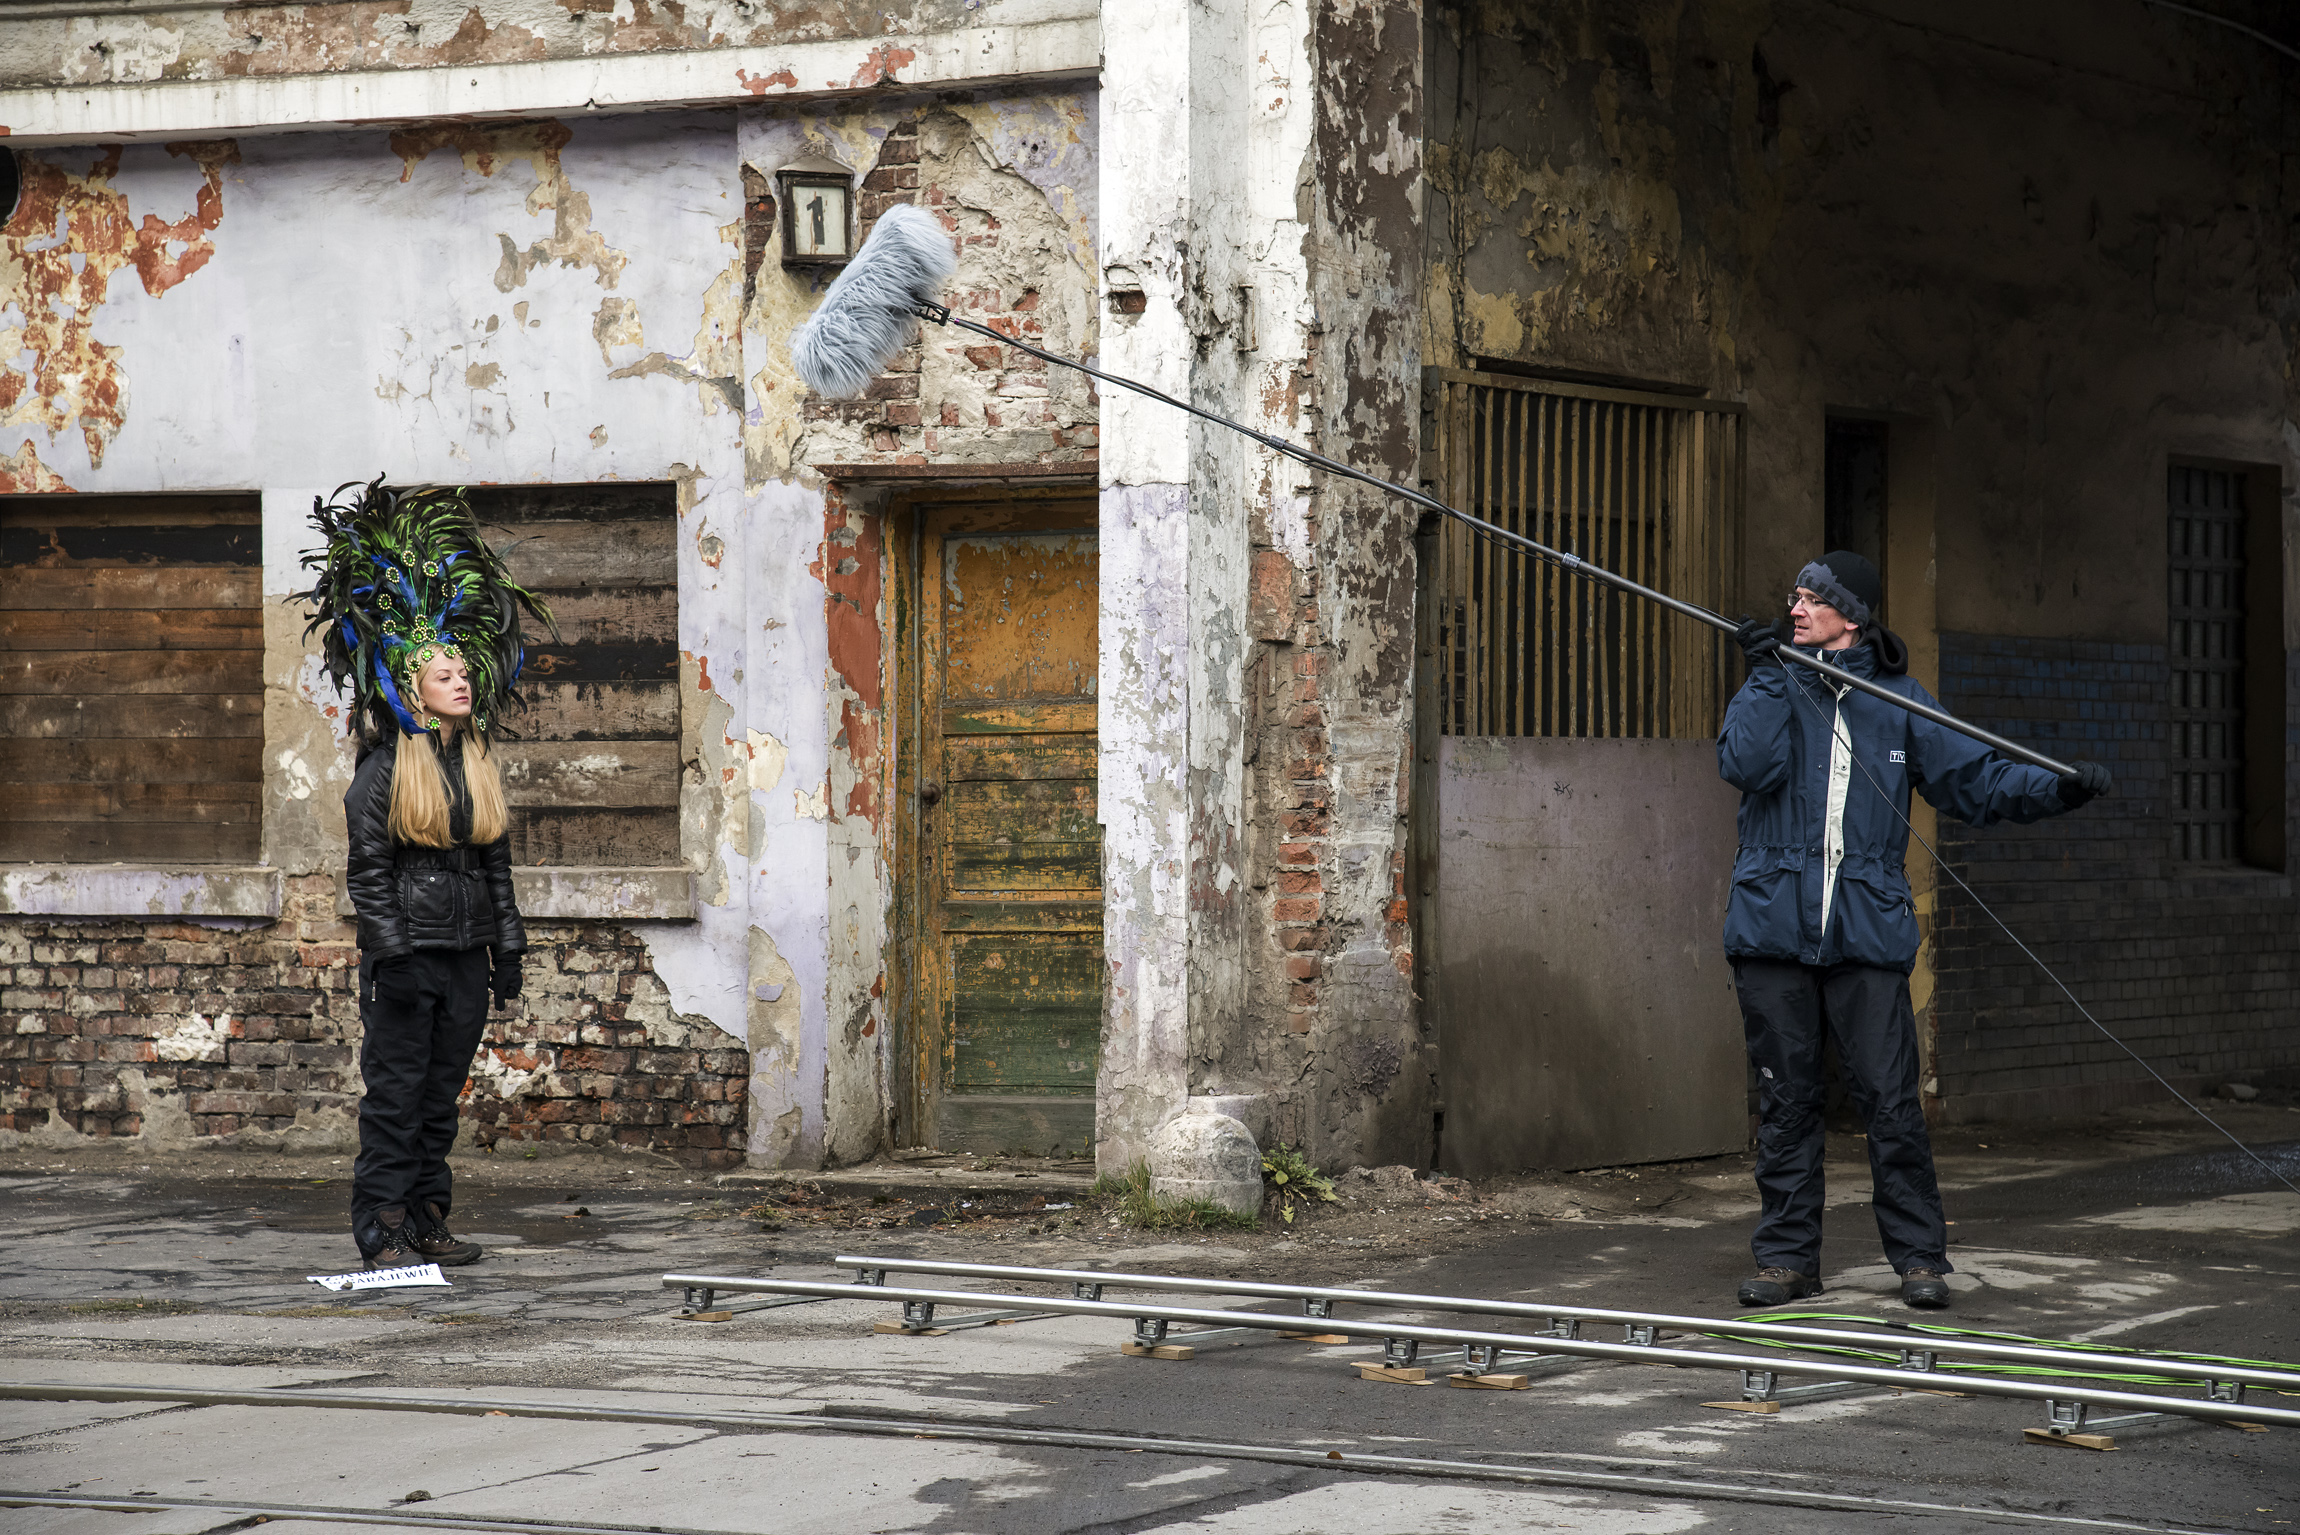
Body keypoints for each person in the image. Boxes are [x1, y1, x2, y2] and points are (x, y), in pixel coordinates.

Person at [1718, 551, 2110, 1311]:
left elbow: (1980, 781)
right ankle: (1787, 1260)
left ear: (1851, 615)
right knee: (1786, 1104)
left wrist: (2058, 789)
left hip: (1866, 930)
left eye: (1812, 598)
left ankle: (1920, 1257)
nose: (1795, 609)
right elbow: (1746, 764)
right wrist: (1767, 674)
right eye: (1794, 597)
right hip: (1771, 928)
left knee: (1891, 1104)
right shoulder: (1774, 683)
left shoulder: (1897, 701)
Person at [301, 479, 556, 1270]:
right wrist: (394, 955)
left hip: (464, 958)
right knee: (396, 1097)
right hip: (408, 961)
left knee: (440, 1098)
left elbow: (495, 863)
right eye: (446, 676)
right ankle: (381, 1226)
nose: (463, 682)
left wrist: (507, 948)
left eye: (465, 673)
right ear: (414, 688)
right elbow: (369, 872)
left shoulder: (475, 763)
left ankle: (427, 1219)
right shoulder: (384, 771)